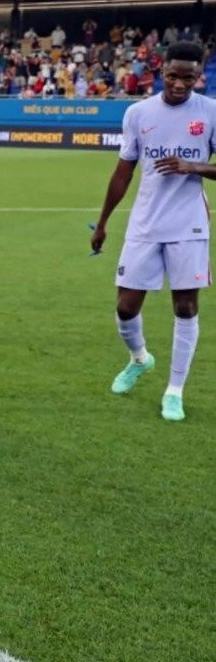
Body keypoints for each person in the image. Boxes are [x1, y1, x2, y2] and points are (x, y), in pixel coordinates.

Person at [90, 41, 216, 421]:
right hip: (145, 221)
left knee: (185, 306)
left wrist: (194, 168)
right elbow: (124, 171)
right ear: (161, 71)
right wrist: (104, 221)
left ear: (200, 76)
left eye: (189, 77)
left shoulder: (210, 112)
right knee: (126, 308)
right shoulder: (137, 113)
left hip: (188, 222)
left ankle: (174, 391)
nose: (180, 84)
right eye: (173, 75)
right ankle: (140, 358)